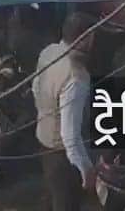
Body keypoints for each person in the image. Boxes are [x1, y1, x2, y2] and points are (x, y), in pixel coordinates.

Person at [32, 12, 98, 211]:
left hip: (43, 141)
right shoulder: (76, 77)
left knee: (54, 198)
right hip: (63, 157)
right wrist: (86, 168)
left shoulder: (49, 51)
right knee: (66, 204)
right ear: (85, 38)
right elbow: (70, 135)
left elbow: (36, 88)